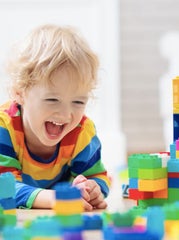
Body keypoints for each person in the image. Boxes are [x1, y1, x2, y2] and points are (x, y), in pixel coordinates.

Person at [0, 24, 111, 211]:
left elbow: (98, 176)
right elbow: (4, 188)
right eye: (52, 99)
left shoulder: (81, 132)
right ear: (20, 93)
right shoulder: (5, 128)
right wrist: (53, 199)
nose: (66, 115)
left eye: (78, 102)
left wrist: (92, 189)